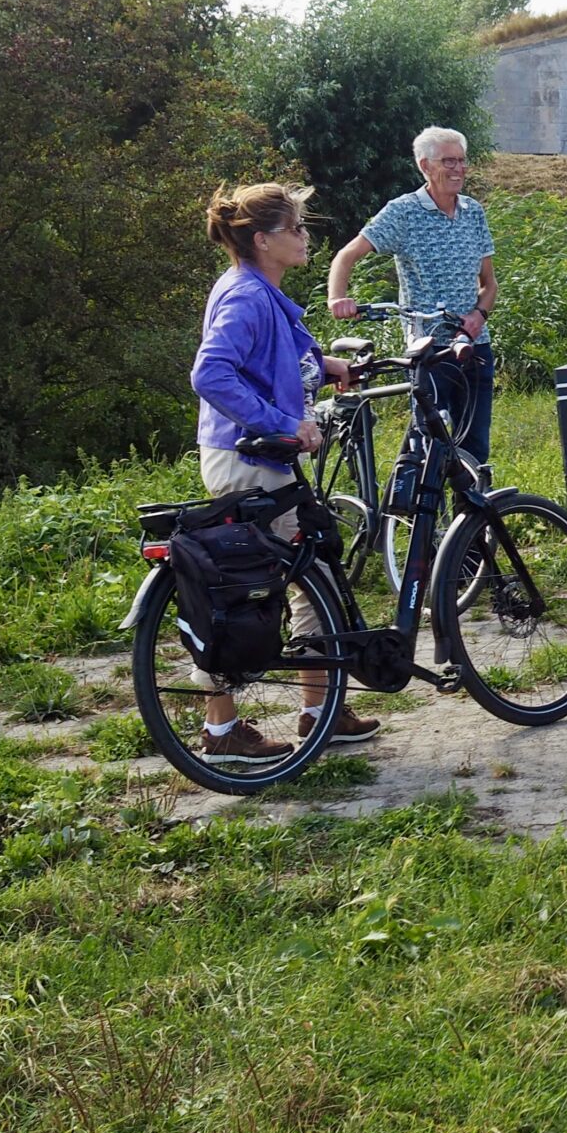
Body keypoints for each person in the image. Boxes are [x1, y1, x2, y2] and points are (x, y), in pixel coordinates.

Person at [189, 183, 378, 763]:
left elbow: (273, 360)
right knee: (246, 591)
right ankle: (222, 734)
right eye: (295, 228)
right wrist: (284, 423)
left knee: (311, 571)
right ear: (263, 240)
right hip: (249, 461)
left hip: (265, 458)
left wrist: (327, 365)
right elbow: (212, 373)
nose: (305, 237)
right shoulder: (246, 296)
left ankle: (320, 712)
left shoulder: (262, 294)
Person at [327, 126, 497, 467]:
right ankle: (420, 516)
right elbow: (346, 256)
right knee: (431, 447)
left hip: (474, 347)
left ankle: (474, 518)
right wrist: (338, 298)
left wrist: (479, 316)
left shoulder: (472, 212)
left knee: (475, 448)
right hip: (429, 350)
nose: (458, 169)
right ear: (425, 166)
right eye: (448, 161)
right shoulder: (404, 212)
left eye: (462, 161)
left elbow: (489, 284)